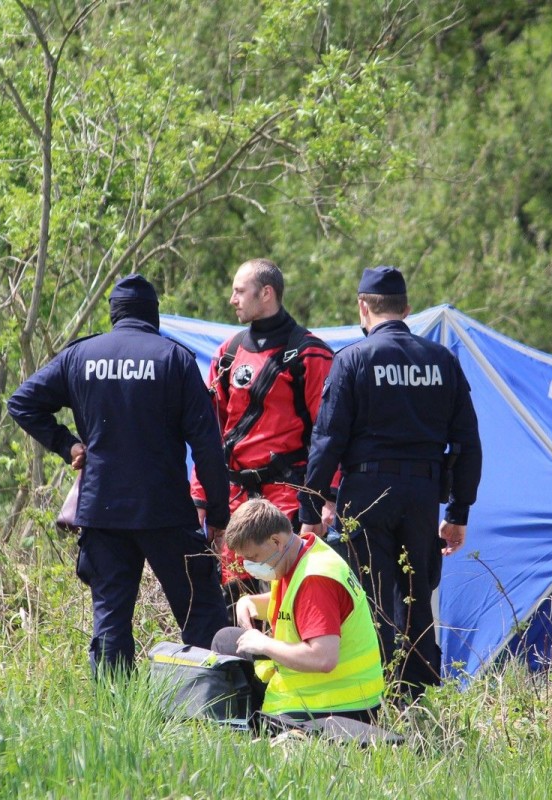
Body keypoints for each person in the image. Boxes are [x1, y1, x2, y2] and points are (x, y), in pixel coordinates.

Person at [8, 274, 230, 676]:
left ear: (114, 314)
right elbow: (208, 446)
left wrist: (67, 445)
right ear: (153, 314)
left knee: (110, 620)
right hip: (165, 510)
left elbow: (22, 402)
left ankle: (114, 704)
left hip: (102, 510)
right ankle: (213, 700)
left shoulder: (81, 355)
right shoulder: (174, 359)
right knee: (201, 613)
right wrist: (217, 513)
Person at [300, 266, 482, 695]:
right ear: (407, 309)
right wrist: (458, 511)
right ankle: (419, 699)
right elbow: (468, 442)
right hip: (422, 495)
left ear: (363, 306)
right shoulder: (441, 361)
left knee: (368, 597)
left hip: (366, 493)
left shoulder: (353, 359)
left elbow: (327, 441)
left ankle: (371, 694)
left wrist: (310, 509)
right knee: (416, 598)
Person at [191, 258, 335, 601]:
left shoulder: (310, 354)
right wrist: (200, 496)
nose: (232, 299)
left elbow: (329, 434)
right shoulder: (228, 353)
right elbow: (208, 434)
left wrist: (324, 500)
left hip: (287, 500)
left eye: (240, 291)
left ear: (266, 293)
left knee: (285, 600)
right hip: (235, 500)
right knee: (235, 600)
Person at [212, 498, 384, 721]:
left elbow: (323, 658)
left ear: (276, 541)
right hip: (318, 692)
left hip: (334, 707)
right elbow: (298, 604)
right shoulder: (301, 552)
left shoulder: (315, 579)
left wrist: (265, 644)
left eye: (253, 557)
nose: (250, 565)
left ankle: (247, 725)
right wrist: (251, 602)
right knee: (227, 640)